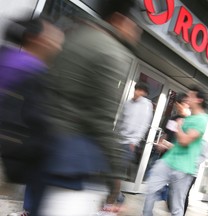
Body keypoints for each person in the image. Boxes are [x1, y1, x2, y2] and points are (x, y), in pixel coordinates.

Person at [23, 0, 142, 215]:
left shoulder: (71, 33)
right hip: (73, 159)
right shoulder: (111, 52)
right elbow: (103, 120)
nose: (136, 32)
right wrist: (116, 175)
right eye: (134, 24)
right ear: (119, 19)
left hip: (45, 146)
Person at [0, 18, 64, 216]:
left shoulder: (7, 59)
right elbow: (41, 124)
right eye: (52, 36)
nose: (57, 43)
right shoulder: (32, 71)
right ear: (36, 39)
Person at [143, 86, 208, 216]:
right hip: (168, 160)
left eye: (190, 96)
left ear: (199, 100)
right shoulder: (187, 118)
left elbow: (184, 141)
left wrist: (179, 126)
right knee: (151, 189)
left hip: (184, 168)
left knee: (176, 207)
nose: (187, 99)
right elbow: (171, 135)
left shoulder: (202, 119)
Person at [99, 82, 153, 214]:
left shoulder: (146, 105)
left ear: (144, 93)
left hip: (129, 143)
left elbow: (144, 124)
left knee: (116, 174)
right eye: (137, 90)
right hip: (118, 140)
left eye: (140, 91)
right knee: (109, 172)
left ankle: (109, 207)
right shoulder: (128, 103)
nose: (137, 92)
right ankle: (119, 197)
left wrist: (134, 141)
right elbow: (120, 121)